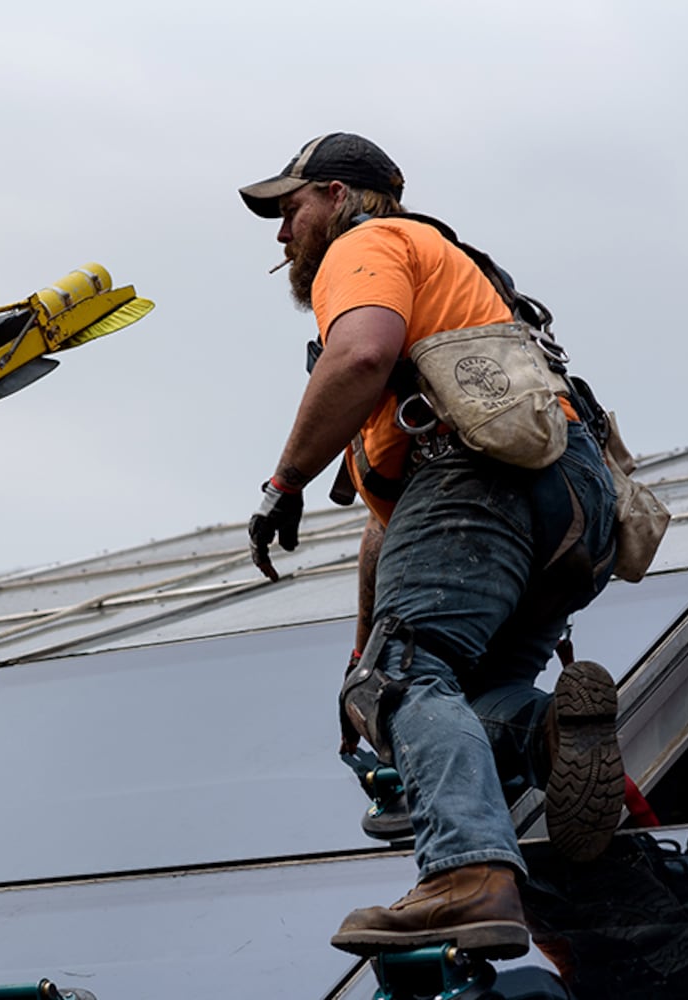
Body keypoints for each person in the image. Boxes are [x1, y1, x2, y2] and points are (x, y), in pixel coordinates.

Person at [238, 133, 626, 957]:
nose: (281, 234)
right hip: (569, 505)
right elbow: (388, 526)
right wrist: (361, 665)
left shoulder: (369, 243)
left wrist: (283, 482)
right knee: (452, 691)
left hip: (473, 487)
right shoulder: (467, 282)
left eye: (290, 208)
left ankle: (466, 875)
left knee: (409, 677)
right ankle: (546, 731)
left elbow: (362, 353)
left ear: (339, 197)